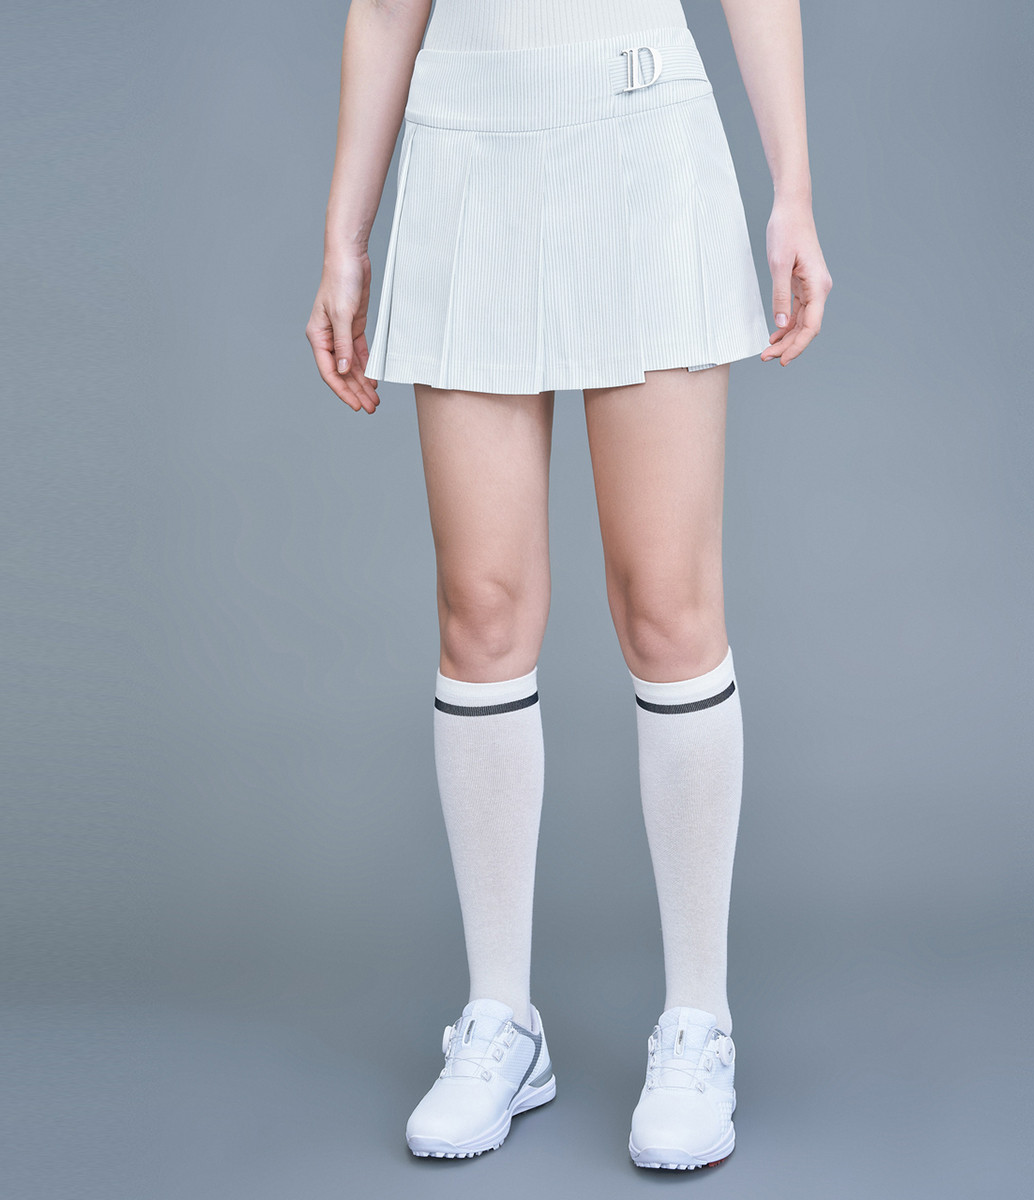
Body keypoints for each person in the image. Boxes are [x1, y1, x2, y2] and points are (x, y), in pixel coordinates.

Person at [306, 0, 831, 1171]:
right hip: (465, 140)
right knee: (482, 609)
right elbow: (386, 6)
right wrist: (345, 232)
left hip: (642, 129)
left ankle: (698, 1019)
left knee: (667, 604)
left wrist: (791, 187)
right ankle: (503, 1019)